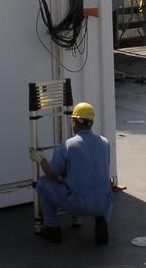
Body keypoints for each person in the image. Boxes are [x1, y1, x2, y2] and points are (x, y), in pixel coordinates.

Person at [32, 101, 113, 244]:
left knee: (43, 184)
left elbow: (52, 174)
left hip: (78, 204)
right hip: (103, 204)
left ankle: (52, 228)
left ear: (75, 122)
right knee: (104, 190)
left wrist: (41, 159)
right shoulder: (105, 142)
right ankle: (102, 222)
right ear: (91, 122)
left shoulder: (68, 145)